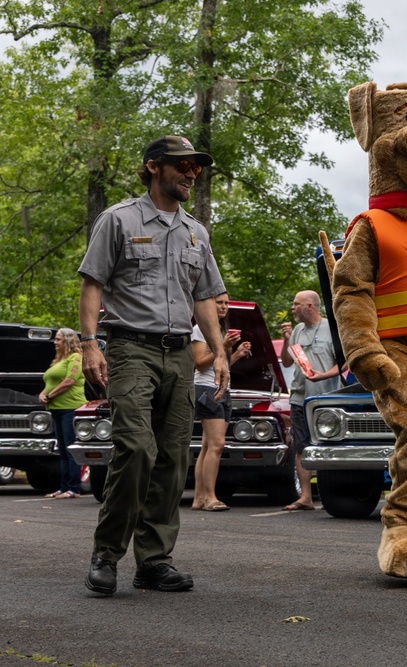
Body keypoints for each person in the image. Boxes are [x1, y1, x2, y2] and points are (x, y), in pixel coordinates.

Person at [78, 135, 228, 596]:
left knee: (172, 456)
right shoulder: (118, 220)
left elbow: (204, 297)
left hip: (181, 354)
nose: (190, 174)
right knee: (137, 449)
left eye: (195, 169)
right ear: (153, 168)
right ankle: (106, 555)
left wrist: (219, 352)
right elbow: (92, 284)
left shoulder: (195, 232)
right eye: (181, 166)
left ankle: (154, 561)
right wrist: (89, 344)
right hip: (130, 349)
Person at [280, 290, 342, 511]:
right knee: (301, 447)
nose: (293, 308)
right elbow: (287, 362)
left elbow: (344, 363)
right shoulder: (297, 330)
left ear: (310, 306)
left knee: (329, 445)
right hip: (300, 398)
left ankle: (334, 493)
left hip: (327, 398)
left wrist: (323, 375)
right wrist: (287, 339)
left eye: (296, 304)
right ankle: (305, 497)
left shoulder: (331, 329)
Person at [191, 292, 251, 512]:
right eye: (219, 303)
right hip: (206, 389)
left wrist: (235, 354)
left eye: (226, 303)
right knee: (217, 445)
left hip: (223, 389)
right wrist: (221, 345)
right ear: (209, 305)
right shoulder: (200, 329)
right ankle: (210, 497)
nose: (224, 306)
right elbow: (199, 364)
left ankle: (199, 498)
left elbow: (222, 365)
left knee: (208, 445)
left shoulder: (223, 330)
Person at [39, 328, 87, 499]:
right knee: (62, 449)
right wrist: (42, 394)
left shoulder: (76, 358)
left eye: (58, 339)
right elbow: (50, 381)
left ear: (67, 341)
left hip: (70, 408)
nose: (55, 342)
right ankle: (63, 487)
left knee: (70, 448)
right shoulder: (59, 360)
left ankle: (74, 488)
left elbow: (70, 380)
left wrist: (50, 395)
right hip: (56, 409)